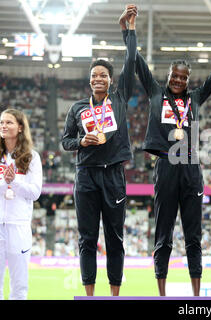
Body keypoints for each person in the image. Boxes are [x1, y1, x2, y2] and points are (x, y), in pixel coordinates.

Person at [119, 6, 211, 296]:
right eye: (174, 77)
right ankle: (161, 292)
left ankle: (196, 294)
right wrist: (130, 28)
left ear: (188, 80)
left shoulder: (196, 99)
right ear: (168, 76)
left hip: (191, 168)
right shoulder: (154, 92)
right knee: (163, 234)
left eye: (183, 78)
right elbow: (135, 60)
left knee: (194, 236)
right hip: (165, 166)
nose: (178, 81)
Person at [61, 6, 137, 296]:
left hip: (114, 175)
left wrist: (127, 30)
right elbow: (65, 141)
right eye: (94, 75)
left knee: (115, 239)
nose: (98, 79)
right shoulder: (78, 108)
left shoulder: (119, 98)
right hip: (86, 176)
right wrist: (81, 142)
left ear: (110, 79)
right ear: (89, 79)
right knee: (87, 239)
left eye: (103, 75)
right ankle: (90, 294)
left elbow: (130, 62)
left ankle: (115, 294)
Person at [0, 108, 42, 300]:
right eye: (1, 122)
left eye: (9, 122)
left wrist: (14, 182)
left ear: (19, 127)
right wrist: (5, 183)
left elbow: (34, 193)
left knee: (19, 287)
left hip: (19, 227)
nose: (3, 126)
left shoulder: (31, 157)